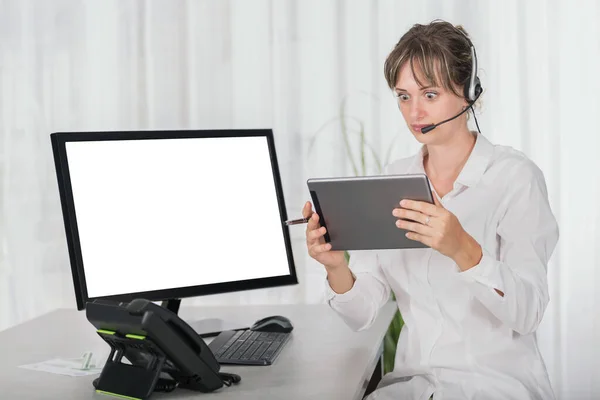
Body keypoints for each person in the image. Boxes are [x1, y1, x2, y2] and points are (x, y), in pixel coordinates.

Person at [302, 20, 559, 400]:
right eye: (403, 96)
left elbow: (528, 312)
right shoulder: (393, 179)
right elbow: (362, 314)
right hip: (411, 387)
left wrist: (462, 248)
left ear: (469, 93)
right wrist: (337, 267)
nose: (414, 112)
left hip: (494, 385)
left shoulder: (514, 178)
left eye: (430, 94)